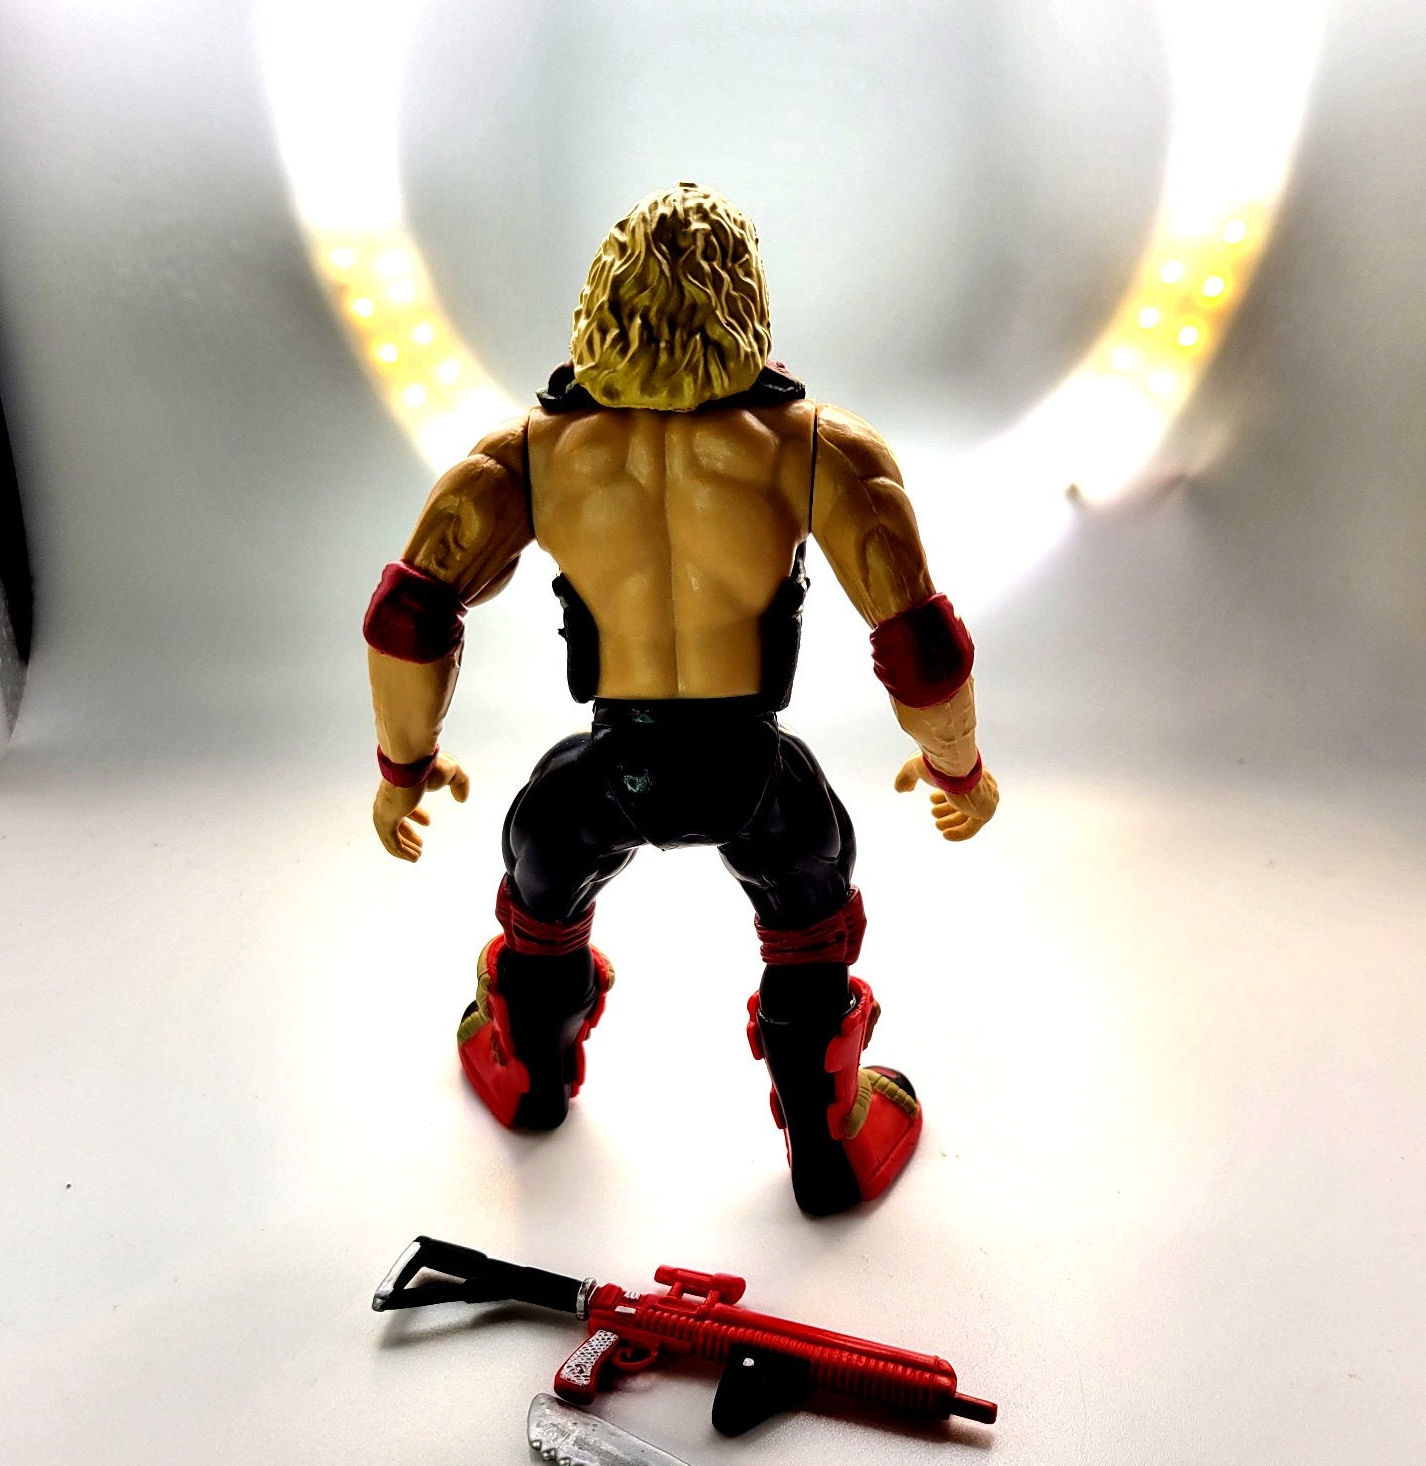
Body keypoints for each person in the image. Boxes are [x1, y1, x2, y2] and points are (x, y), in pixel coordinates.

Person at [364, 182, 998, 1215]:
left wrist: (404, 765)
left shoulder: (526, 455)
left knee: (539, 885)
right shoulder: (817, 448)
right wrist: (957, 767)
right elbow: (920, 644)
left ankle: (529, 1076)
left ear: (599, 302)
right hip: (754, 771)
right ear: (747, 296)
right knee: (814, 921)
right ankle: (827, 1141)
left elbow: (410, 613)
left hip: (612, 767)